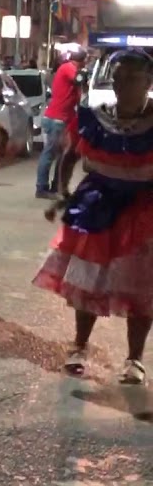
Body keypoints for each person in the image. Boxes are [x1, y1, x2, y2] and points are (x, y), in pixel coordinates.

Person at [33, 51, 153, 385]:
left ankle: (134, 359)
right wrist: (64, 192)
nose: (122, 84)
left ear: (148, 83)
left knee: (141, 285)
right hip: (96, 208)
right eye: (118, 78)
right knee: (88, 279)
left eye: (132, 78)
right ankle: (79, 346)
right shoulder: (95, 119)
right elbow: (69, 156)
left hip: (143, 212)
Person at [37, 48, 85, 199]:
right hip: (57, 118)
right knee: (50, 153)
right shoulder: (68, 67)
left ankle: (57, 187)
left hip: (61, 118)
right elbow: (79, 79)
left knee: (62, 155)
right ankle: (42, 188)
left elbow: (79, 97)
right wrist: (84, 76)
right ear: (82, 60)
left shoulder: (69, 70)